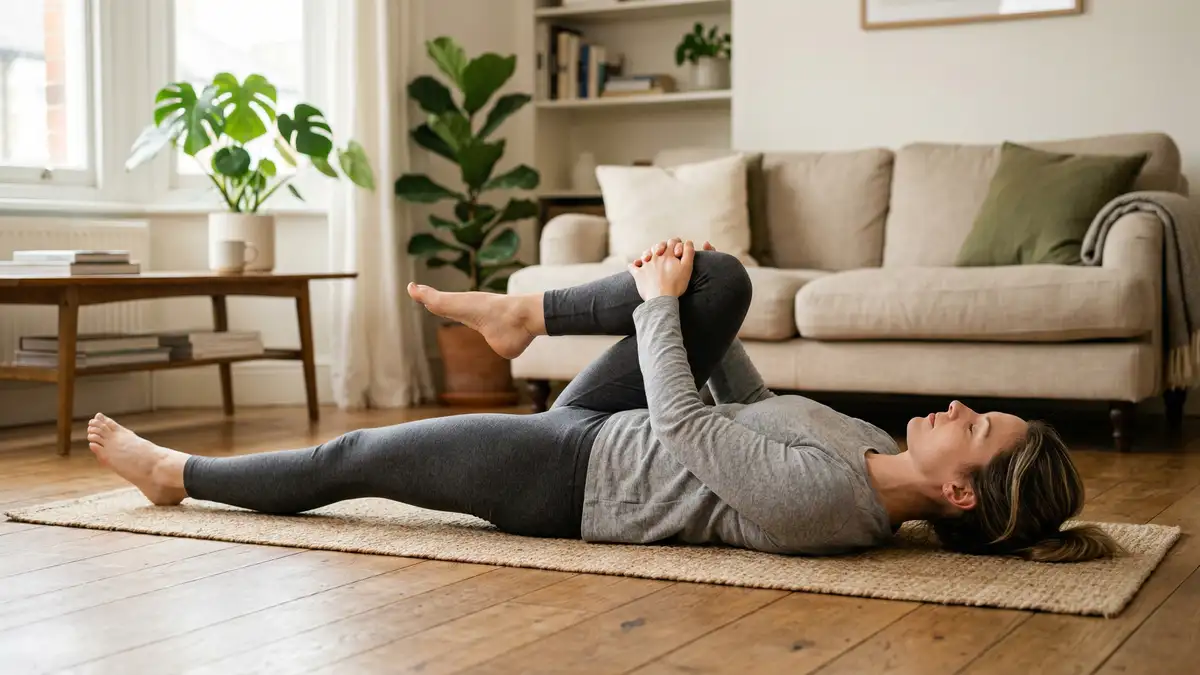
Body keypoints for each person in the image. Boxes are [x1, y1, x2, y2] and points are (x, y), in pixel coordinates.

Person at [86, 238, 1120, 562]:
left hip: (569, 478)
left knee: (355, 458)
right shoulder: (864, 440)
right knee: (725, 281)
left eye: (975, 427)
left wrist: (659, 306)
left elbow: (687, 426)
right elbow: (744, 398)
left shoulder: (829, 510)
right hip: (603, 425)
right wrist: (693, 309)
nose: (957, 406)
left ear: (958, 495)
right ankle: (521, 315)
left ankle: (180, 474)